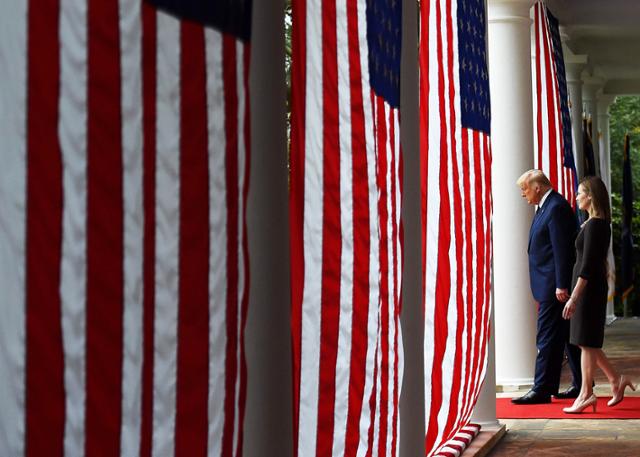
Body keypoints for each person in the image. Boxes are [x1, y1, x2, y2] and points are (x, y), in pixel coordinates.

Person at [561, 176, 636, 413]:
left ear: (590, 195)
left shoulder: (595, 225)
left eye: (580, 193)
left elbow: (588, 265)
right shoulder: (594, 223)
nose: (576, 197)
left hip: (588, 289)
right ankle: (616, 380)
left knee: (585, 342)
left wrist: (574, 297)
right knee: (588, 342)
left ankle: (586, 394)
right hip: (589, 287)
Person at [511, 170, 582, 405]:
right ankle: (581, 383)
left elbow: (562, 250)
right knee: (566, 337)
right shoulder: (546, 206)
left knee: (546, 336)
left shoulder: (556, 207)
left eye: (525, 189)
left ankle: (541, 388)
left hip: (554, 286)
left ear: (538, 187)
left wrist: (561, 284)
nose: (523, 194)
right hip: (550, 284)